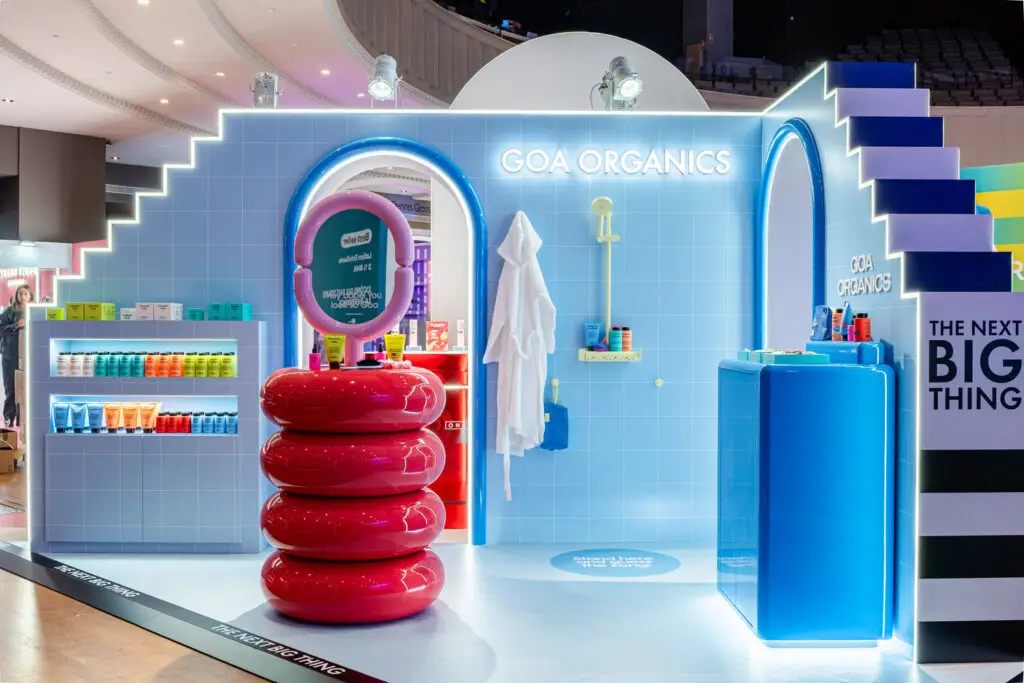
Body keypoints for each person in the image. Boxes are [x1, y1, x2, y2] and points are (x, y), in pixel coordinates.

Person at [0, 285, 32, 427]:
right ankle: (9, 418)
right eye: (21, 293)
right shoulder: (9, 311)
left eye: (26, 294)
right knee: (11, 388)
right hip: (10, 356)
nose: (23, 296)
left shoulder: (34, 311)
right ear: (16, 295)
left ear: (30, 295)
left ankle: (23, 420)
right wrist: (15, 326)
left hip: (28, 356)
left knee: (26, 389)